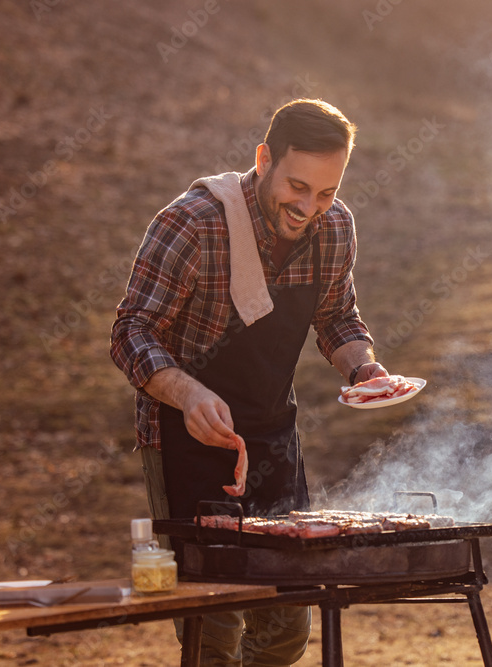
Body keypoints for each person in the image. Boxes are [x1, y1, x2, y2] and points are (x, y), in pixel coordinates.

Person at [110, 98, 389, 665]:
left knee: (287, 624)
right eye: (297, 186)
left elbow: (337, 318)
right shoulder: (191, 224)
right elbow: (131, 331)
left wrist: (364, 368)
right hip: (185, 440)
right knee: (211, 627)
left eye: (326, 191)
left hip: (272, 436)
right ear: (264, 158)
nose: (309, 206)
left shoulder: (335, 229)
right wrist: (188, 393)